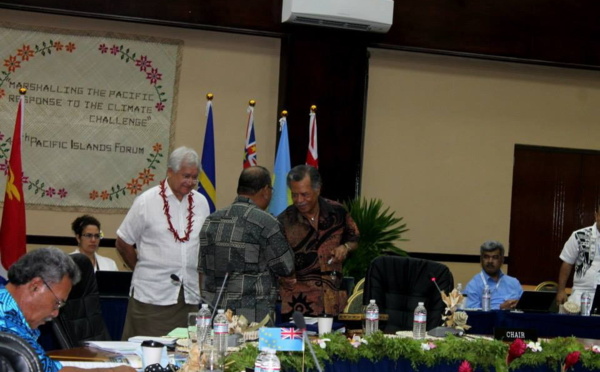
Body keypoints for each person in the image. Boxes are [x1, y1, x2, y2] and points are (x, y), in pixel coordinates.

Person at [116, 146, 210, 339]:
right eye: (186, 176)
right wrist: (142, 268)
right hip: (152, 297)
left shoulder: (201, 203)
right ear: (169, 172)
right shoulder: (146, 201)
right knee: (148, 353)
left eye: (194, 177)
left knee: (186, 354)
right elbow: (123, 242)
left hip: (189, 296)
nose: (190, 182)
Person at [0, 247, 134, 372]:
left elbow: (52, 368)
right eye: (57, 303)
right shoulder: (9, 328)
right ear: (36, 286)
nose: (55, 313)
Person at [199, 166, 295, 323]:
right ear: (265, 190)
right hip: (254, 318)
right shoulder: (266, 222)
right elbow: (287, 266)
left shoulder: (211, 220)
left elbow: (202, 271)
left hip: (216, 315)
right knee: (253, 349)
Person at [277, 165, 359, 317]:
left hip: (333, 301)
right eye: (294, 195)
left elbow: (354, 239)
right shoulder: (284, 221)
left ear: (318, 189)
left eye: (304, 194)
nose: (299, 200)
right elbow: (275, 259)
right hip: (298, 304)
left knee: (333, 341)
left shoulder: (337, 212)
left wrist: (345, 247)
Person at [556, 204, 600, 306]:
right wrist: (561, 290)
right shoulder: (579, 235)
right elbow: (567, 263)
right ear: (596, 215)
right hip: (581, 293)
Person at [464, 241, 523, 310]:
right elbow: (474, 314)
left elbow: (525, 308)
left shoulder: (514, 283)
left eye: (495, 257)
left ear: (502, 260)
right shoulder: (473, 285)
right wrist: (500, 308)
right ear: (481, 260)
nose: (490, 261)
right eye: (486, 257)